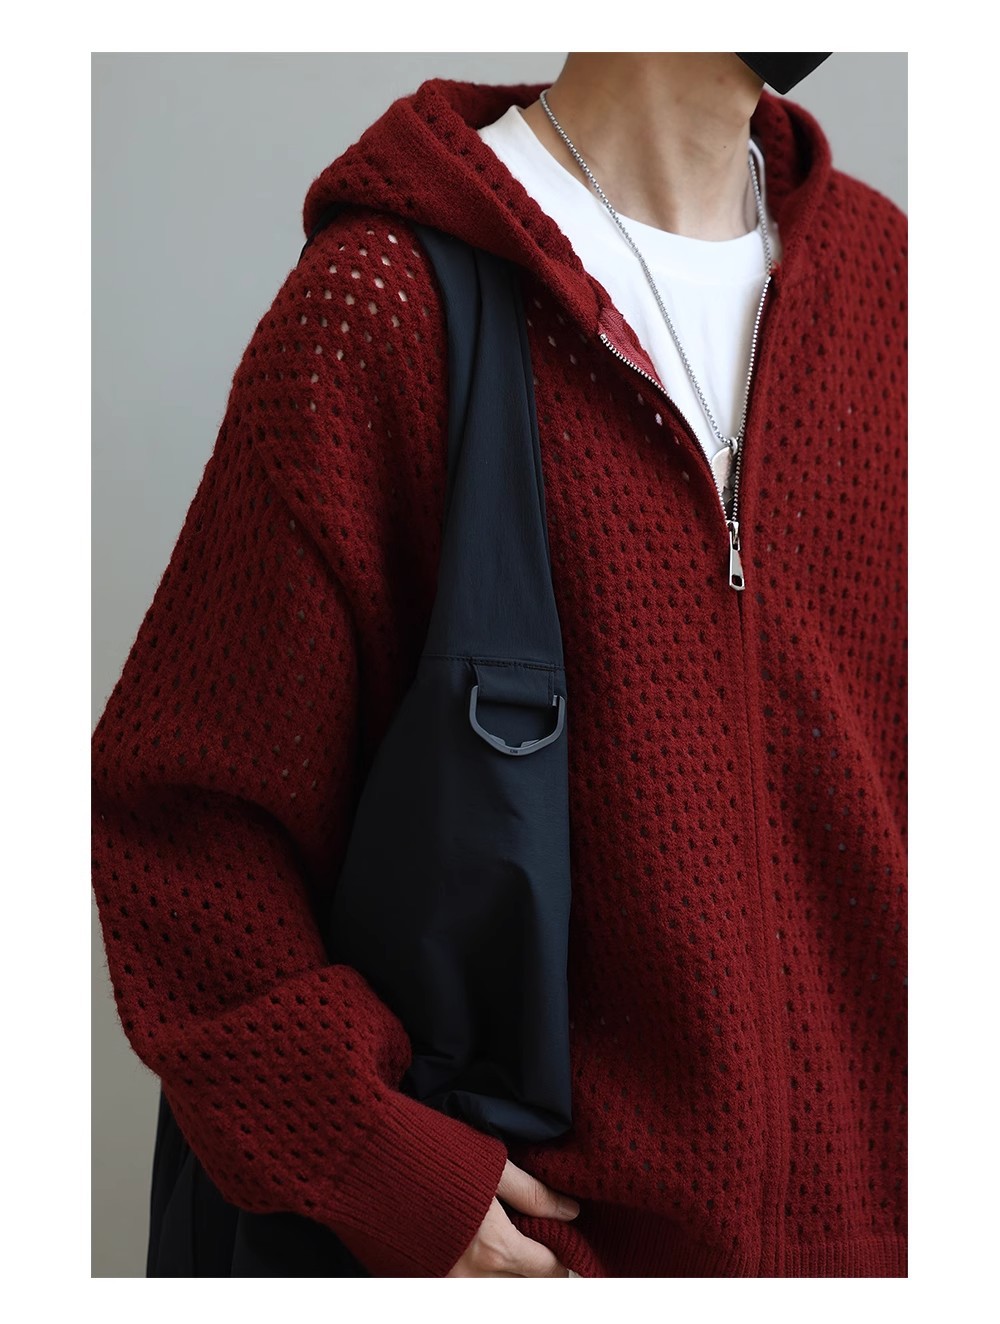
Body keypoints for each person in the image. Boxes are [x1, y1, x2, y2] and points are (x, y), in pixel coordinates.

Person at [91, 52, 907, 1277]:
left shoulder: (899, 297)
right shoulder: (387, 301)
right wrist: (377, 1164)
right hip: (548, 1267)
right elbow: (181, 829)